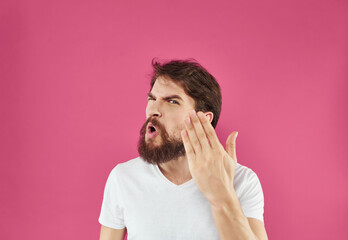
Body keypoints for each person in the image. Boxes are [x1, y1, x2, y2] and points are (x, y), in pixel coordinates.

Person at [98, 59, 268, 240]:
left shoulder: (242, 181)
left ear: (204, 119)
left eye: (172, 101)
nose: (153, 110)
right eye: (152, 99)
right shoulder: (123, 177)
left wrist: (222, 195)